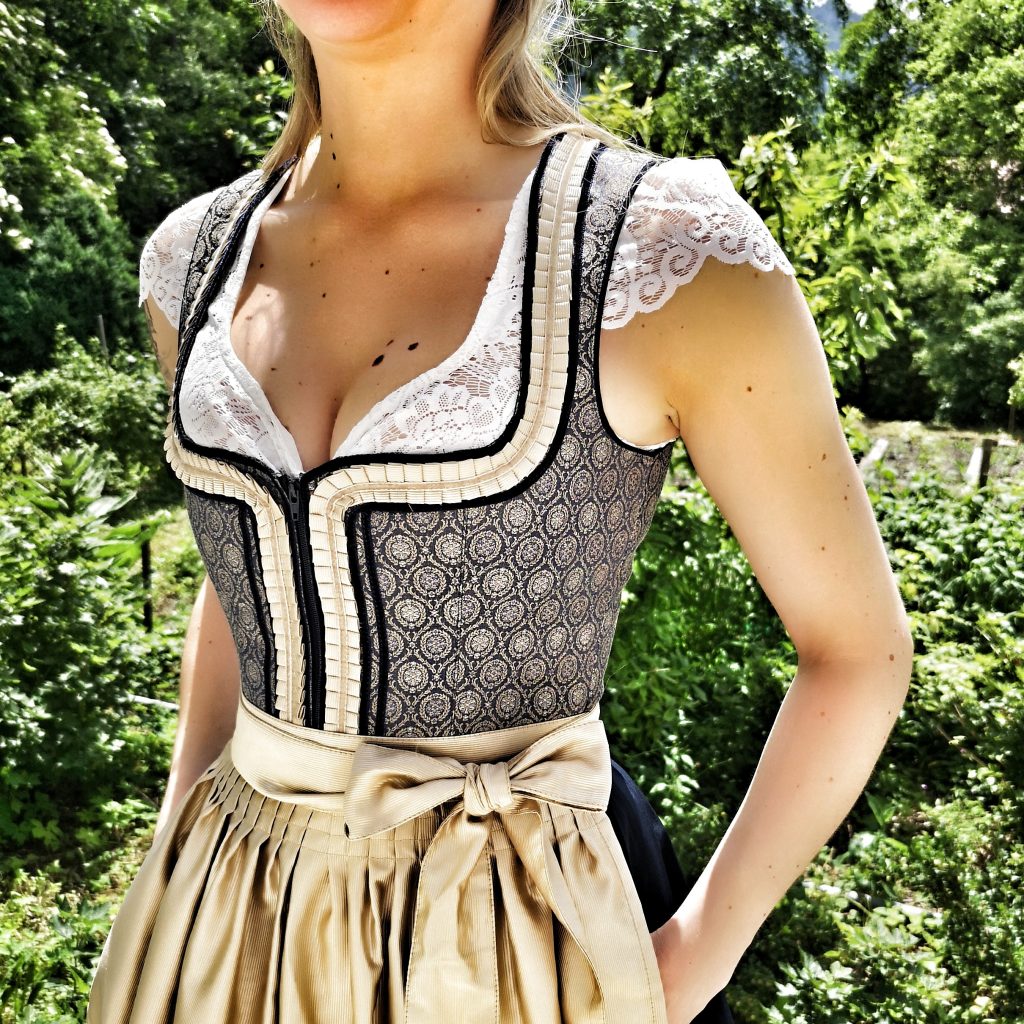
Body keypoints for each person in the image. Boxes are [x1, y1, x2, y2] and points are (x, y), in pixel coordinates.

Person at [86, 2, 914, 1022]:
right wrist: (172, 855)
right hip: (230, 924)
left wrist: (684, 965)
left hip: (513, 946)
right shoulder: (193, 260)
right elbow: (244, 576)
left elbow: (857, 651)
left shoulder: (657, 250)